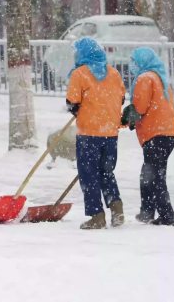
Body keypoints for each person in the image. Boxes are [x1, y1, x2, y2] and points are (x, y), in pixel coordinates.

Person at [65, 37, 126, 229]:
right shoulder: (114, 73)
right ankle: (116, 208)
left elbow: (72, 102)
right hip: (110, 132)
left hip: (88, 133)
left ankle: (96, 215)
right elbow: (122, 98)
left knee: (88, 174)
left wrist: (79, 110)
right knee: (106, 171)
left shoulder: (79, 74)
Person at [122, 47, 174, 226]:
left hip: (155, 133)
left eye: (133, 60)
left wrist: (121, 121)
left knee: (154, 176)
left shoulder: (145, 78)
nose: (131, 64)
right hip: (168, 133)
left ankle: (166, 216)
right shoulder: (161, 78)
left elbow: (139, 108)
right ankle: (147, 211)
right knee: (150, 174)